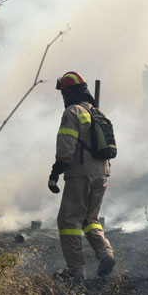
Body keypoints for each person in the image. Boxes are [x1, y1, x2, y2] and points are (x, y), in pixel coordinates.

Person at [48, 71, 115, 283]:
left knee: (68, 220)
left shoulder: (72, 112)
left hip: (80, 173)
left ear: (69, 93)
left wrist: (55, 172)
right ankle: (106, 254)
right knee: (90, 220)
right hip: (102, 173)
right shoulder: (97, 112)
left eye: (63, 94)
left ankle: (75, 272)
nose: (63, 98)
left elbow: (66, 145)